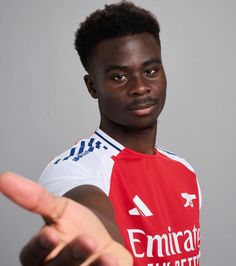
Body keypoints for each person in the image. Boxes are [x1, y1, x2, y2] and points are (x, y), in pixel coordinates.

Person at [0, 1, 201, 265]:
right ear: (92, 86)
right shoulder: (71, 169)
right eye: (119, 76)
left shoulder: (184, 170)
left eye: (151, 71)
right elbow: (89, 214)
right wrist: (99, 243)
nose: (140, 87)